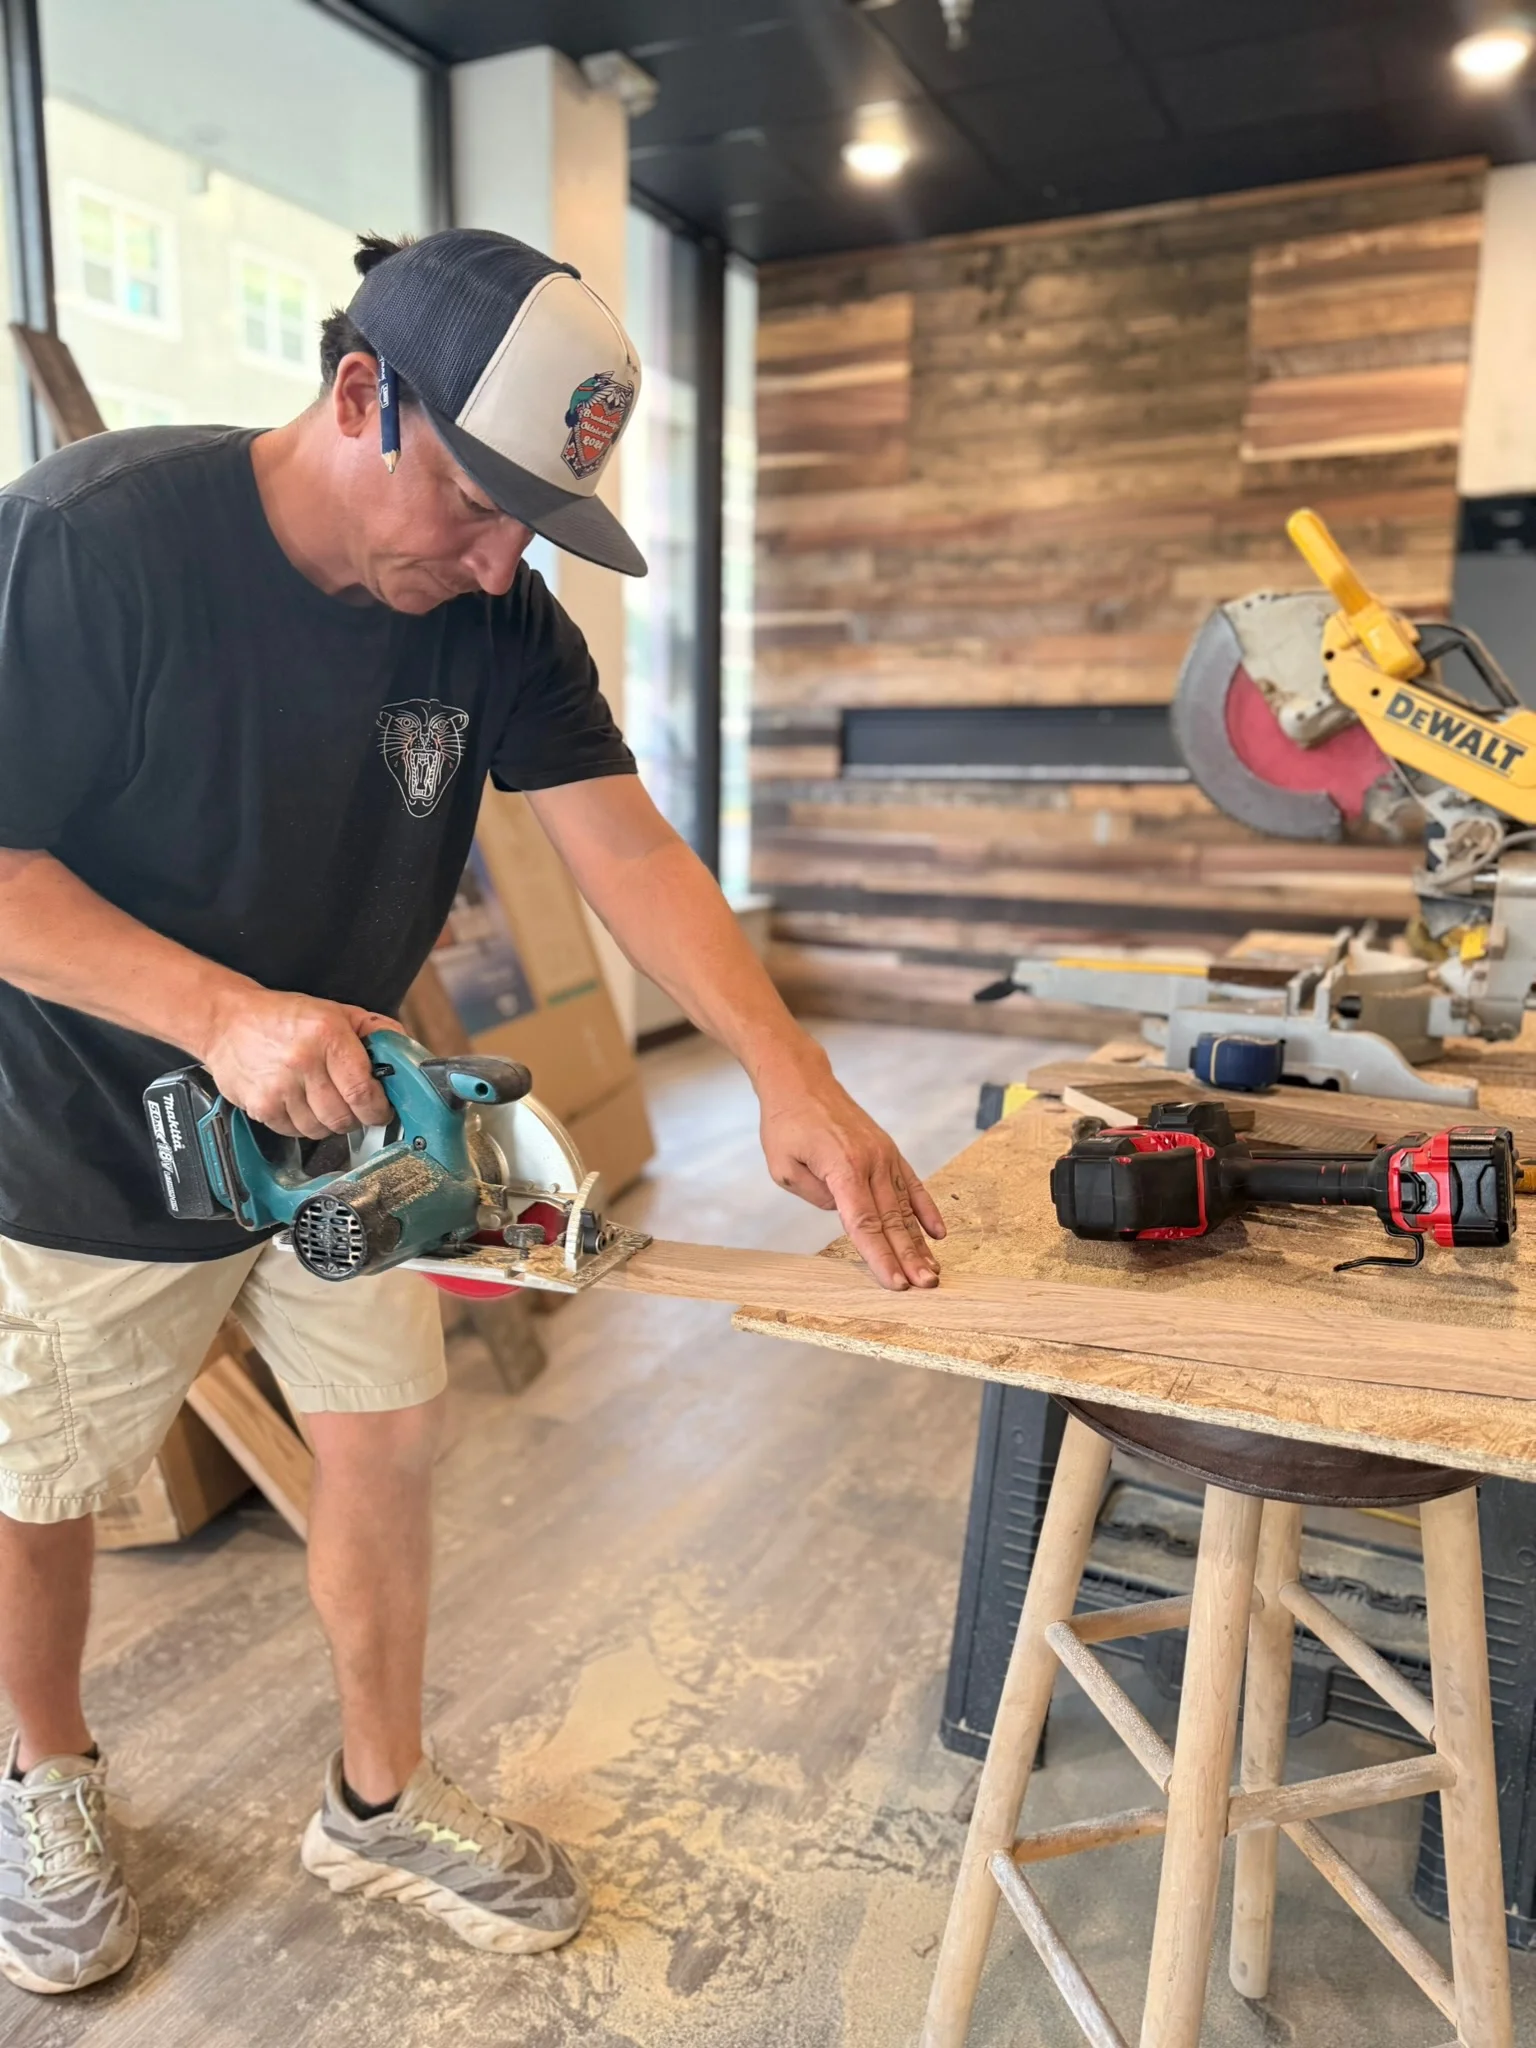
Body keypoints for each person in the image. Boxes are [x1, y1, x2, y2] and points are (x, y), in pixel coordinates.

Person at [0, 228, 945, 1995]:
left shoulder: (494, 603)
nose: (506, 557)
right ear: (364, 395)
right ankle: (37, 1776)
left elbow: (622, 836)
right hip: (81, 1114)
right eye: (478, 501)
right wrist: (218, 1016)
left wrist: (787, 1073)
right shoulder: (90, 541)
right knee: (40, 1478)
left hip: (346, 1116)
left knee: (385, 1439)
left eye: (538, 520)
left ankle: (377, 1794)